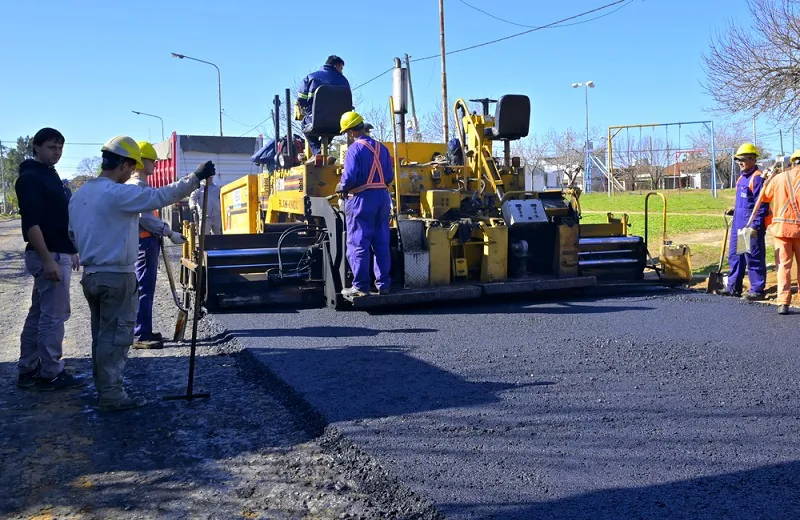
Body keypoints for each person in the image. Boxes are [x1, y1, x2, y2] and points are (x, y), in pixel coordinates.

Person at [68, 136, 215, 411]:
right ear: (124, 165)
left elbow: (72, 234)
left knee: (101, 335)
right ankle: (111, 397)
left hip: (91, 275)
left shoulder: (81, 195)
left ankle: (103, 387)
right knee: (116, 337)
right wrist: (195, 178)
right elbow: (159, 196)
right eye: (131, 165)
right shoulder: (116, 193)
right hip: (116, 277)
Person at [14, 127, 86, 390]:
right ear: (36, 147)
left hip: (57, 251)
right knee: (54, 316)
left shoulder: (50, 175)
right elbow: (31, 224)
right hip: (47, 255)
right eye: (51, 147)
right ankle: (51, 373)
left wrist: (72, 249)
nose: (57, 153)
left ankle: (28, 367)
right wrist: (48, 260)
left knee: (38, 313)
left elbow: (58, 220)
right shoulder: (31, 178)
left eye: (60, 148)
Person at [125, 141, 187, 348]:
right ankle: (141, 335)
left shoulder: (140, 186)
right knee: (143, 288)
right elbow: (145, 218)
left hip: (146, 242)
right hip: (144, 243)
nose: (155, 165)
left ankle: (144, 330)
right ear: (141, 162)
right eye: (152, 161)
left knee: (145, 288)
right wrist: (169, 232)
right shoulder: (136, 187)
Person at [336, 111, 394, 298]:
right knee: (381, 242)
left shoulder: (355, 149)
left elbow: (350, 177)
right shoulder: (382, 148)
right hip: (383, 198)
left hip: (362, 199)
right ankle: (383, 284)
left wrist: (341, 186)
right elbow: (389, 177)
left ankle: (360, 286)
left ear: (351, 131)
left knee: (358, 242)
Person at [722, 142, 768, 300]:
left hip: (750, 224)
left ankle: (757, 289)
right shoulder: (741, 178)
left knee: (753, 256)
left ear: (753, 159)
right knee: (736, 256)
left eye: (742, 159)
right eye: (737, 160)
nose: (739, 163)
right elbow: (745, 201)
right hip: (738, 223)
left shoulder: (757, 179)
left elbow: (761, 205)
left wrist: (755, 226)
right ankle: (733, 287)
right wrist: (735, 210)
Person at [760, 156, 800, 314]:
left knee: (783, 266)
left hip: (781, 229)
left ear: (792, 163)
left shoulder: (779, 178)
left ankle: (783, 302)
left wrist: (768, 180)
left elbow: (765, 196)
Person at [296, 55, 351, 156]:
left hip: (316, 120)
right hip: (338, 123)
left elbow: (301, 100)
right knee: (332, 128)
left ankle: (318, 152)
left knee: (304, 125)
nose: (342, 72)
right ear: (336, 66)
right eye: (341, 68)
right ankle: (321, 151)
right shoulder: (344, 81)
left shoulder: (311, 78)